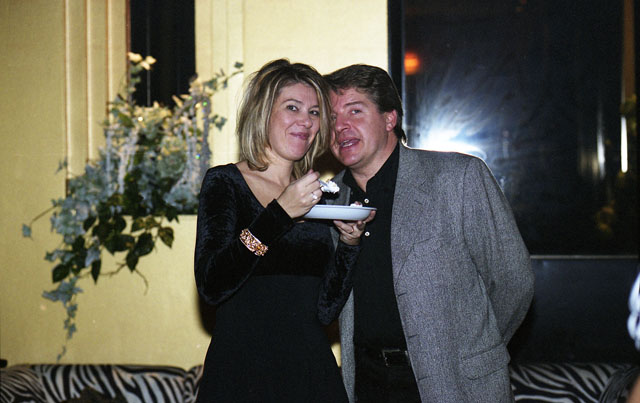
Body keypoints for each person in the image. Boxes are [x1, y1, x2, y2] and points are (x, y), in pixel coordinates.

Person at [324, 64, 535, 403]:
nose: (340, 127)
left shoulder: (458, 178)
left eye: (355, 111)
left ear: (390, 118)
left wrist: (477, 351)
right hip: (367, 384)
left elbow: (514, 280)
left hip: (457, 385)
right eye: (332, 117)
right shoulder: (327, 201)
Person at [194, 59, 371, 402]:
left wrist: (349, 244)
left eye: (314, 112)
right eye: (292, 107)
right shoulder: (226, 182)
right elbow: (212, 285)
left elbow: (325, 310)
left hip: (310, 373)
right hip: (242, 374)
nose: (306, 121)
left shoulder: (319, 196)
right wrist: (279, 214)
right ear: (263, 114)